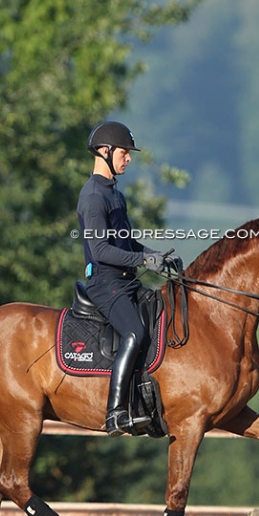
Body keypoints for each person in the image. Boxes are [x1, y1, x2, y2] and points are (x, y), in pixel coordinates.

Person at [77, 121, 181, 437]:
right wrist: (143, 259)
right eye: (124, 153)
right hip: (105, 283)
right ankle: (116, 413)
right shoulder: (94, 196)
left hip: (125, 280)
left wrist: (156, 256)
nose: (129, 159)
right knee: (134, 333)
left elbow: (126, 242)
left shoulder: (114, 194)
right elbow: (101, 250)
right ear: (105, 152)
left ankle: (145, 403)